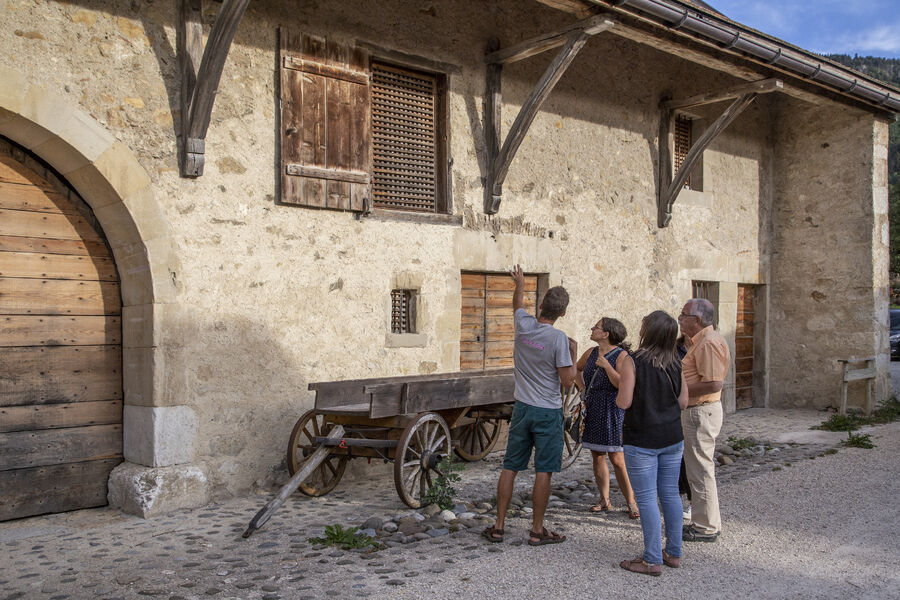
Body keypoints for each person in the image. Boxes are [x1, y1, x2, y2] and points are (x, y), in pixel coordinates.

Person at [482, 265, 577, 546]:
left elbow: (517, 305)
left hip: (522, 406)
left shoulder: (523, 325)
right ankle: (536, 530)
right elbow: (567, 381)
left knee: (510, 466)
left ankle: (499, 525)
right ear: (563, 314)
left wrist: (520, 284)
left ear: (540, 306)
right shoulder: (559, 339)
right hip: (547, 410)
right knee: (543, 470)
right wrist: (573, 352)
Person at [615, 310, 689, 576]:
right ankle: (674, 552)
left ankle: (651, 559)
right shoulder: (677, 362)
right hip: (672, 436)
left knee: (646, 498)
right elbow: (683, 402)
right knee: (669, 493)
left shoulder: (632, 362)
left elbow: (624, 401)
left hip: (642, 437)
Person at [678, 298, 731, 542]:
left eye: (684, 314)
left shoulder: (708, 343)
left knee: (700, 470)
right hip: (698, 411)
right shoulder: (701, 341)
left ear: (696, 320)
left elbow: (713, 383)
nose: (680, 318)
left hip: (701, 411)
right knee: (697, 469)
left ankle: (706, 527)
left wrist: (680, 390)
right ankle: (703, 521)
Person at [575, 317, 638, 519]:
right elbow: (577, 368)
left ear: (606, 334)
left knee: (617, 458)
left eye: (597, 327)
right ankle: (604, 500)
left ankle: (631, 501)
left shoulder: (621, 356)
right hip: (594, 406)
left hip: (613, 408)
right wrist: (582, 387)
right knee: (597, 455)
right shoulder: (591, 352)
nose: (592, 329)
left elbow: (622, 384)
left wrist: (607, 367)